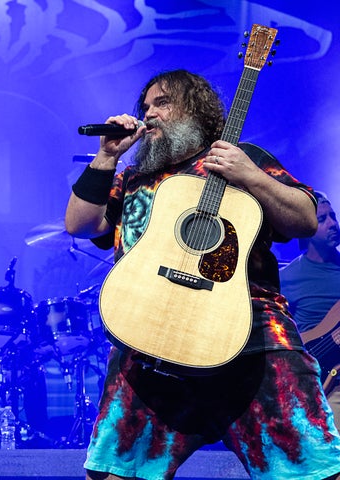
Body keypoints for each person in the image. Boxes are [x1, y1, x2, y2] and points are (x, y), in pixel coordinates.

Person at [65, 69, 340, 479]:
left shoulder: (244, 160)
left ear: (195, 110)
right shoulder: (133, 179)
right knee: (113, 473)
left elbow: (304, 219)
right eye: (145, 106)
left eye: (162, 102)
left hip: (251, 338)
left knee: (312, 470)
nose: (149, 113)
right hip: (151, 340)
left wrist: (249, 175)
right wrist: (107, 156)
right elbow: (79, 225)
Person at [280, 191, 340, 431]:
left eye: (333, 216)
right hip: (314, 380)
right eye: (323, 219)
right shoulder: (287, 277)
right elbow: (280, 338)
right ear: (305, 227)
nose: (333, 224)